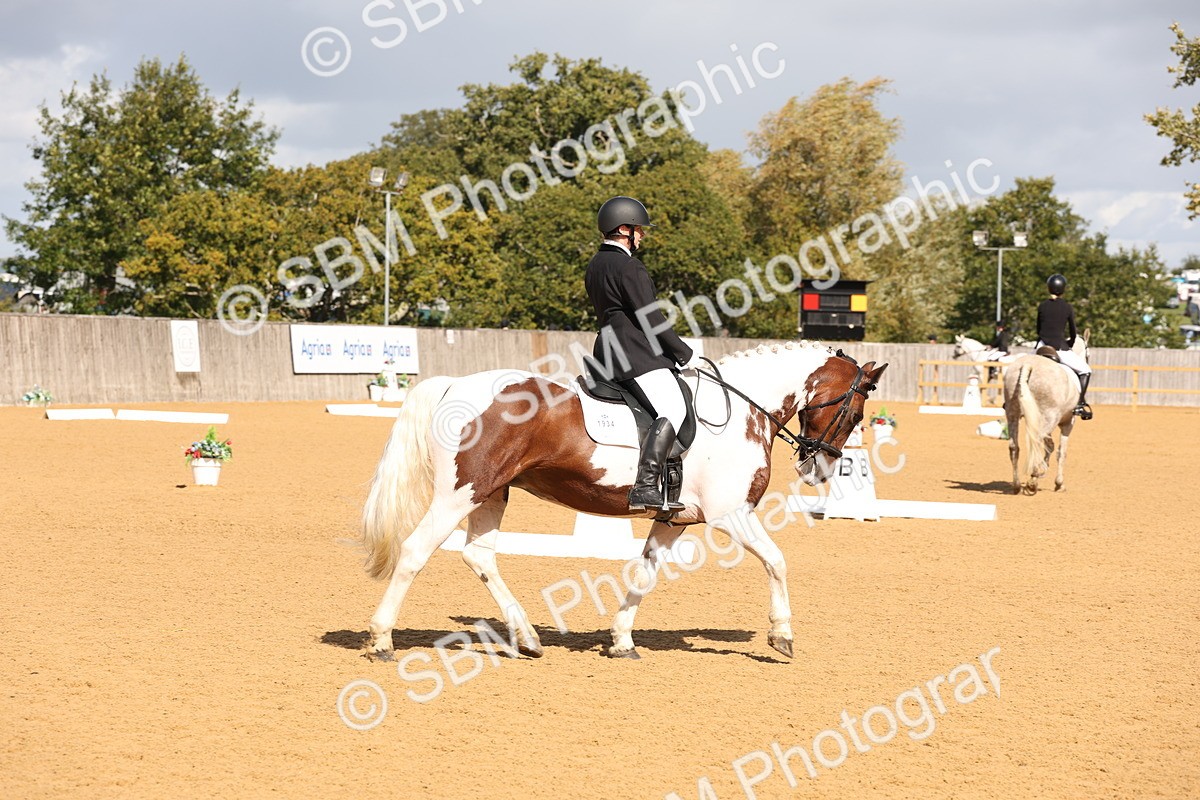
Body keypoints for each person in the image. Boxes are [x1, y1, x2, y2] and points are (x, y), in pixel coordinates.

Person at [584, 196, 695, 512]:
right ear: (623, 229)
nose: (642, 235)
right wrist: (684, 353)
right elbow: (651, 319)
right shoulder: (629, 266)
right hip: (633, 355)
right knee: (673, 407)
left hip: (605, 352)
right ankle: (645, 487)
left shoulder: (595, 264)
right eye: (638, 229)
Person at [1036, 273, 1092, 420]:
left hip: (1042, 345)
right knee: (1086, 370)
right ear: (1063, 289)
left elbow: (1038, 329)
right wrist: (1070, 343)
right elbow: (1073, 331)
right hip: (1059, 347)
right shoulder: (1067, 307)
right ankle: (1079, 403)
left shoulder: (1042, 306)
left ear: (1049, 288)